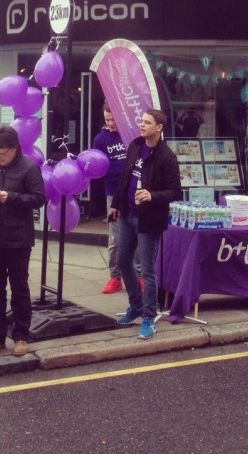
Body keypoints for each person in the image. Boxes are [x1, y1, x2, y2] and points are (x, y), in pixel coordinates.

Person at [0, 126, 45, 358]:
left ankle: (21, 336)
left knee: (19, 288)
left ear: (14, 149)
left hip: (18, 238)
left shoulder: (29, 168)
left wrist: (10, 197)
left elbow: (38, 199)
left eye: (2, 153)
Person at [111, 109, 182, 340]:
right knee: (122, 260)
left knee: (148, 271)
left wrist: (152, 196)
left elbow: (175, 192)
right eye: (141, 121)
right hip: (128, 215)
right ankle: (136, 305)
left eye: (147, 122)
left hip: (149, 220)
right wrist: (115, 204)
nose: (142, 125)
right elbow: (125, 177)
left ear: (159, 127)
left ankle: (149, 319)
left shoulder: (167, 157)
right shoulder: (135, 145)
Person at [93, 104, 137, 294]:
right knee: (115, 237)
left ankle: (140, 276)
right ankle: (115, 277)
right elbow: (96, 164)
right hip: (113, 192)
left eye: (113, 120)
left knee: (138, 234)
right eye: (107, 120)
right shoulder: (101, 138)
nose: (110, 123)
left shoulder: (131, 135)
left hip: (134, 190)